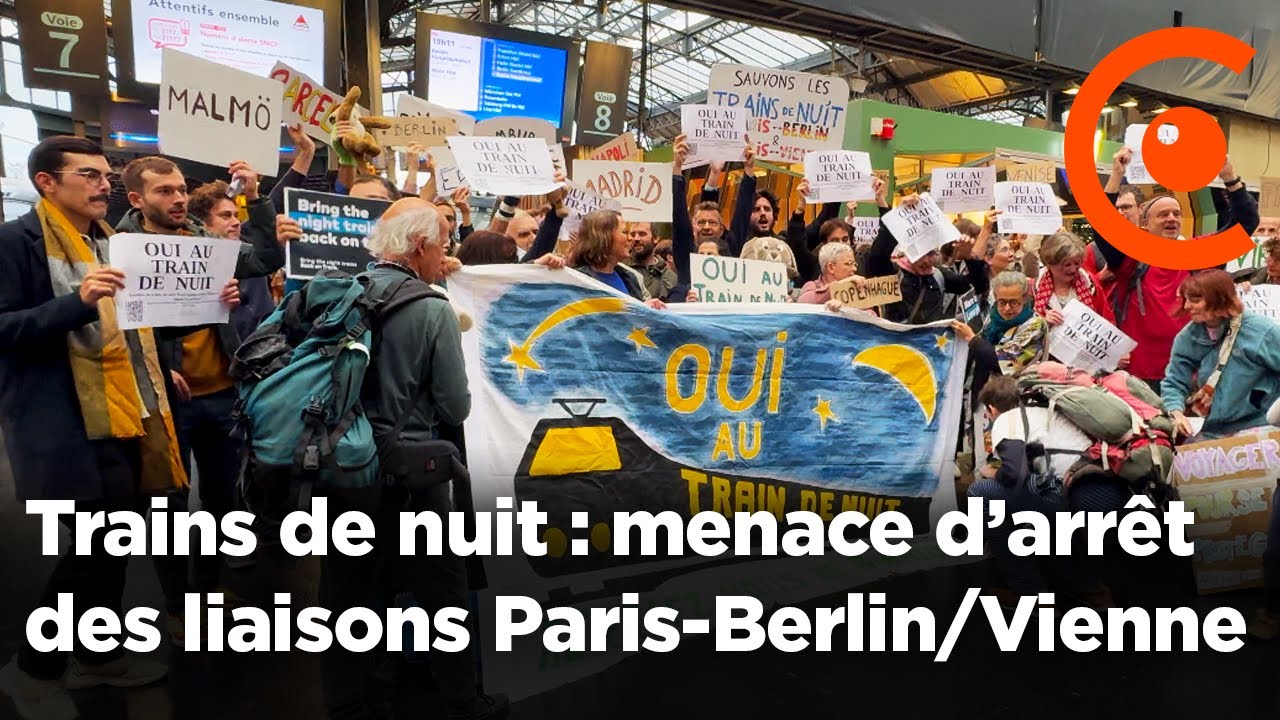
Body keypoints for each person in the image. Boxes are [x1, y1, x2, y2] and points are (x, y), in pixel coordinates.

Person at [0, 137, 238, 715]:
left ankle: (96, 656)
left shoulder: (115, 243)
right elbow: (6, 328)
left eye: (106, 174)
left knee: (114, 541)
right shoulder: (17, 241)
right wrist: (77, 302)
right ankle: (32, 667)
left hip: (134, 412)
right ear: (46, 183)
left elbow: (143, 329)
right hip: (67, 417)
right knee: (90, 547)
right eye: (88, 175)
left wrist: (209, 306)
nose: (103, 183)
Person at [318, 198, 507, 720]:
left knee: (348, 589)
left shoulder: (341, 291)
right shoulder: (431, 307)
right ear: (420, 246)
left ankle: (350, 700)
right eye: (442, 244)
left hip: (342, 466)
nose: (445, 255)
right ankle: (462, 701)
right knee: (441, 589)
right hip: (410, 472)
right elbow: (455, 405)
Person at [1094, 152, 1259, 393]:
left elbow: (1246, 224)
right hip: (1140, 375)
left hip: (1190, 374)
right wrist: (1116, 175)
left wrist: (1230, 178)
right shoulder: (1130, 258)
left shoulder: (1198, 253)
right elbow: (1102, 224)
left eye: (1176, 213)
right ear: (1145, 224)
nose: (1171, 218)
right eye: (1163, 214)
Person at [966, 376, 1118, 609]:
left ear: (991, 408)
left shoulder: (1006, 420)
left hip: (1071, 493)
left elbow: (1014, 474)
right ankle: (1091, 591)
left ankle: (1030, 596)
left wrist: (993, 474)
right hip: (1106, 487)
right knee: (1035, 498)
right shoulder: (1045, 412)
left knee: (982, 493)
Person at [1161, 270, 1280, 441]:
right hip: (1212, 430)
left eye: (1195, 300)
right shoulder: (1187, 337)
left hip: (1261, 427)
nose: (1187, 306)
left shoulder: (1262, 331)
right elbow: (1174, 381)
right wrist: (1176, 412)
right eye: (1186, 299)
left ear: (1218, 299)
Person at [863, 196, 988, 325]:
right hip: (897, 343)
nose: (927, 261)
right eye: (921, 255)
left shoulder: (939, 275)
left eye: (931, 254)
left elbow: (977, 287)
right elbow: (877, 257)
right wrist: (891, 212)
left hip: (931, 342)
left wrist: (969, 257)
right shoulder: (894, 274)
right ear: (909, 251)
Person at [955, 271, 1048, 377]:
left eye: (1014, 302)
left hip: (1012, 389)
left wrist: (972, 339)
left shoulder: (1035, 325)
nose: (1007, 308)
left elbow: (1006, 362)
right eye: (1002, 302)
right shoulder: (992, 315)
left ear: (1025, 298)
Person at [1033, 231, 1115, 325]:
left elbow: (1107, 321)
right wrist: (1043, 322)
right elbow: (1021, 329)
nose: (1073, 269)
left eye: (1077, 263)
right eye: (1067, 265)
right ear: (1050, 263)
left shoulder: (1091, 285)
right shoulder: (1033, 289)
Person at [797, 243, 862, 305]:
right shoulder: (812, 286)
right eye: (848, 264)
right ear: (831, 268)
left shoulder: (857, 289)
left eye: (854, 264)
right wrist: (839, 287)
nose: (854, 269)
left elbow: (870, 314)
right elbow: (803, 302)